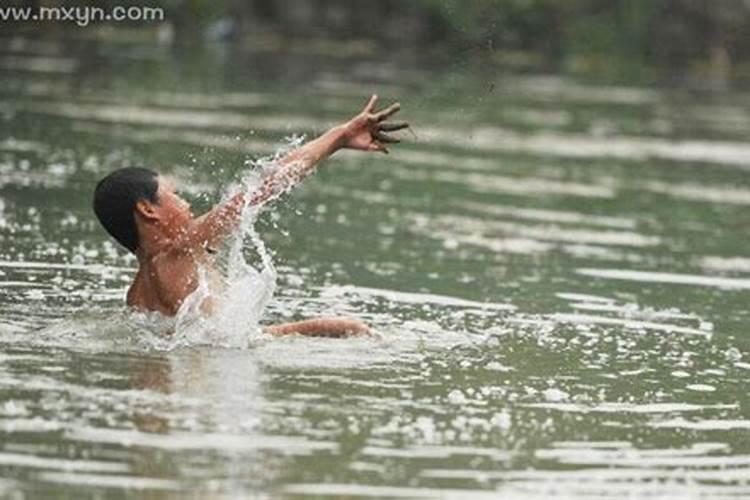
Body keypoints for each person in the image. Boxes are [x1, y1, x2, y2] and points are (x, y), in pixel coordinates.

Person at [93, 95, 407, 337]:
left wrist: (310, 328)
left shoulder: (136, 294)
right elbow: (265, 186)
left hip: (198, 370)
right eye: (174, 194)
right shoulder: (180, 251)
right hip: (212, 378)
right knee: (352, 328)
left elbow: (203, 340)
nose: (186, 204)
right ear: (148, 210)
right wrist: (339, 137)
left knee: (338, 326)